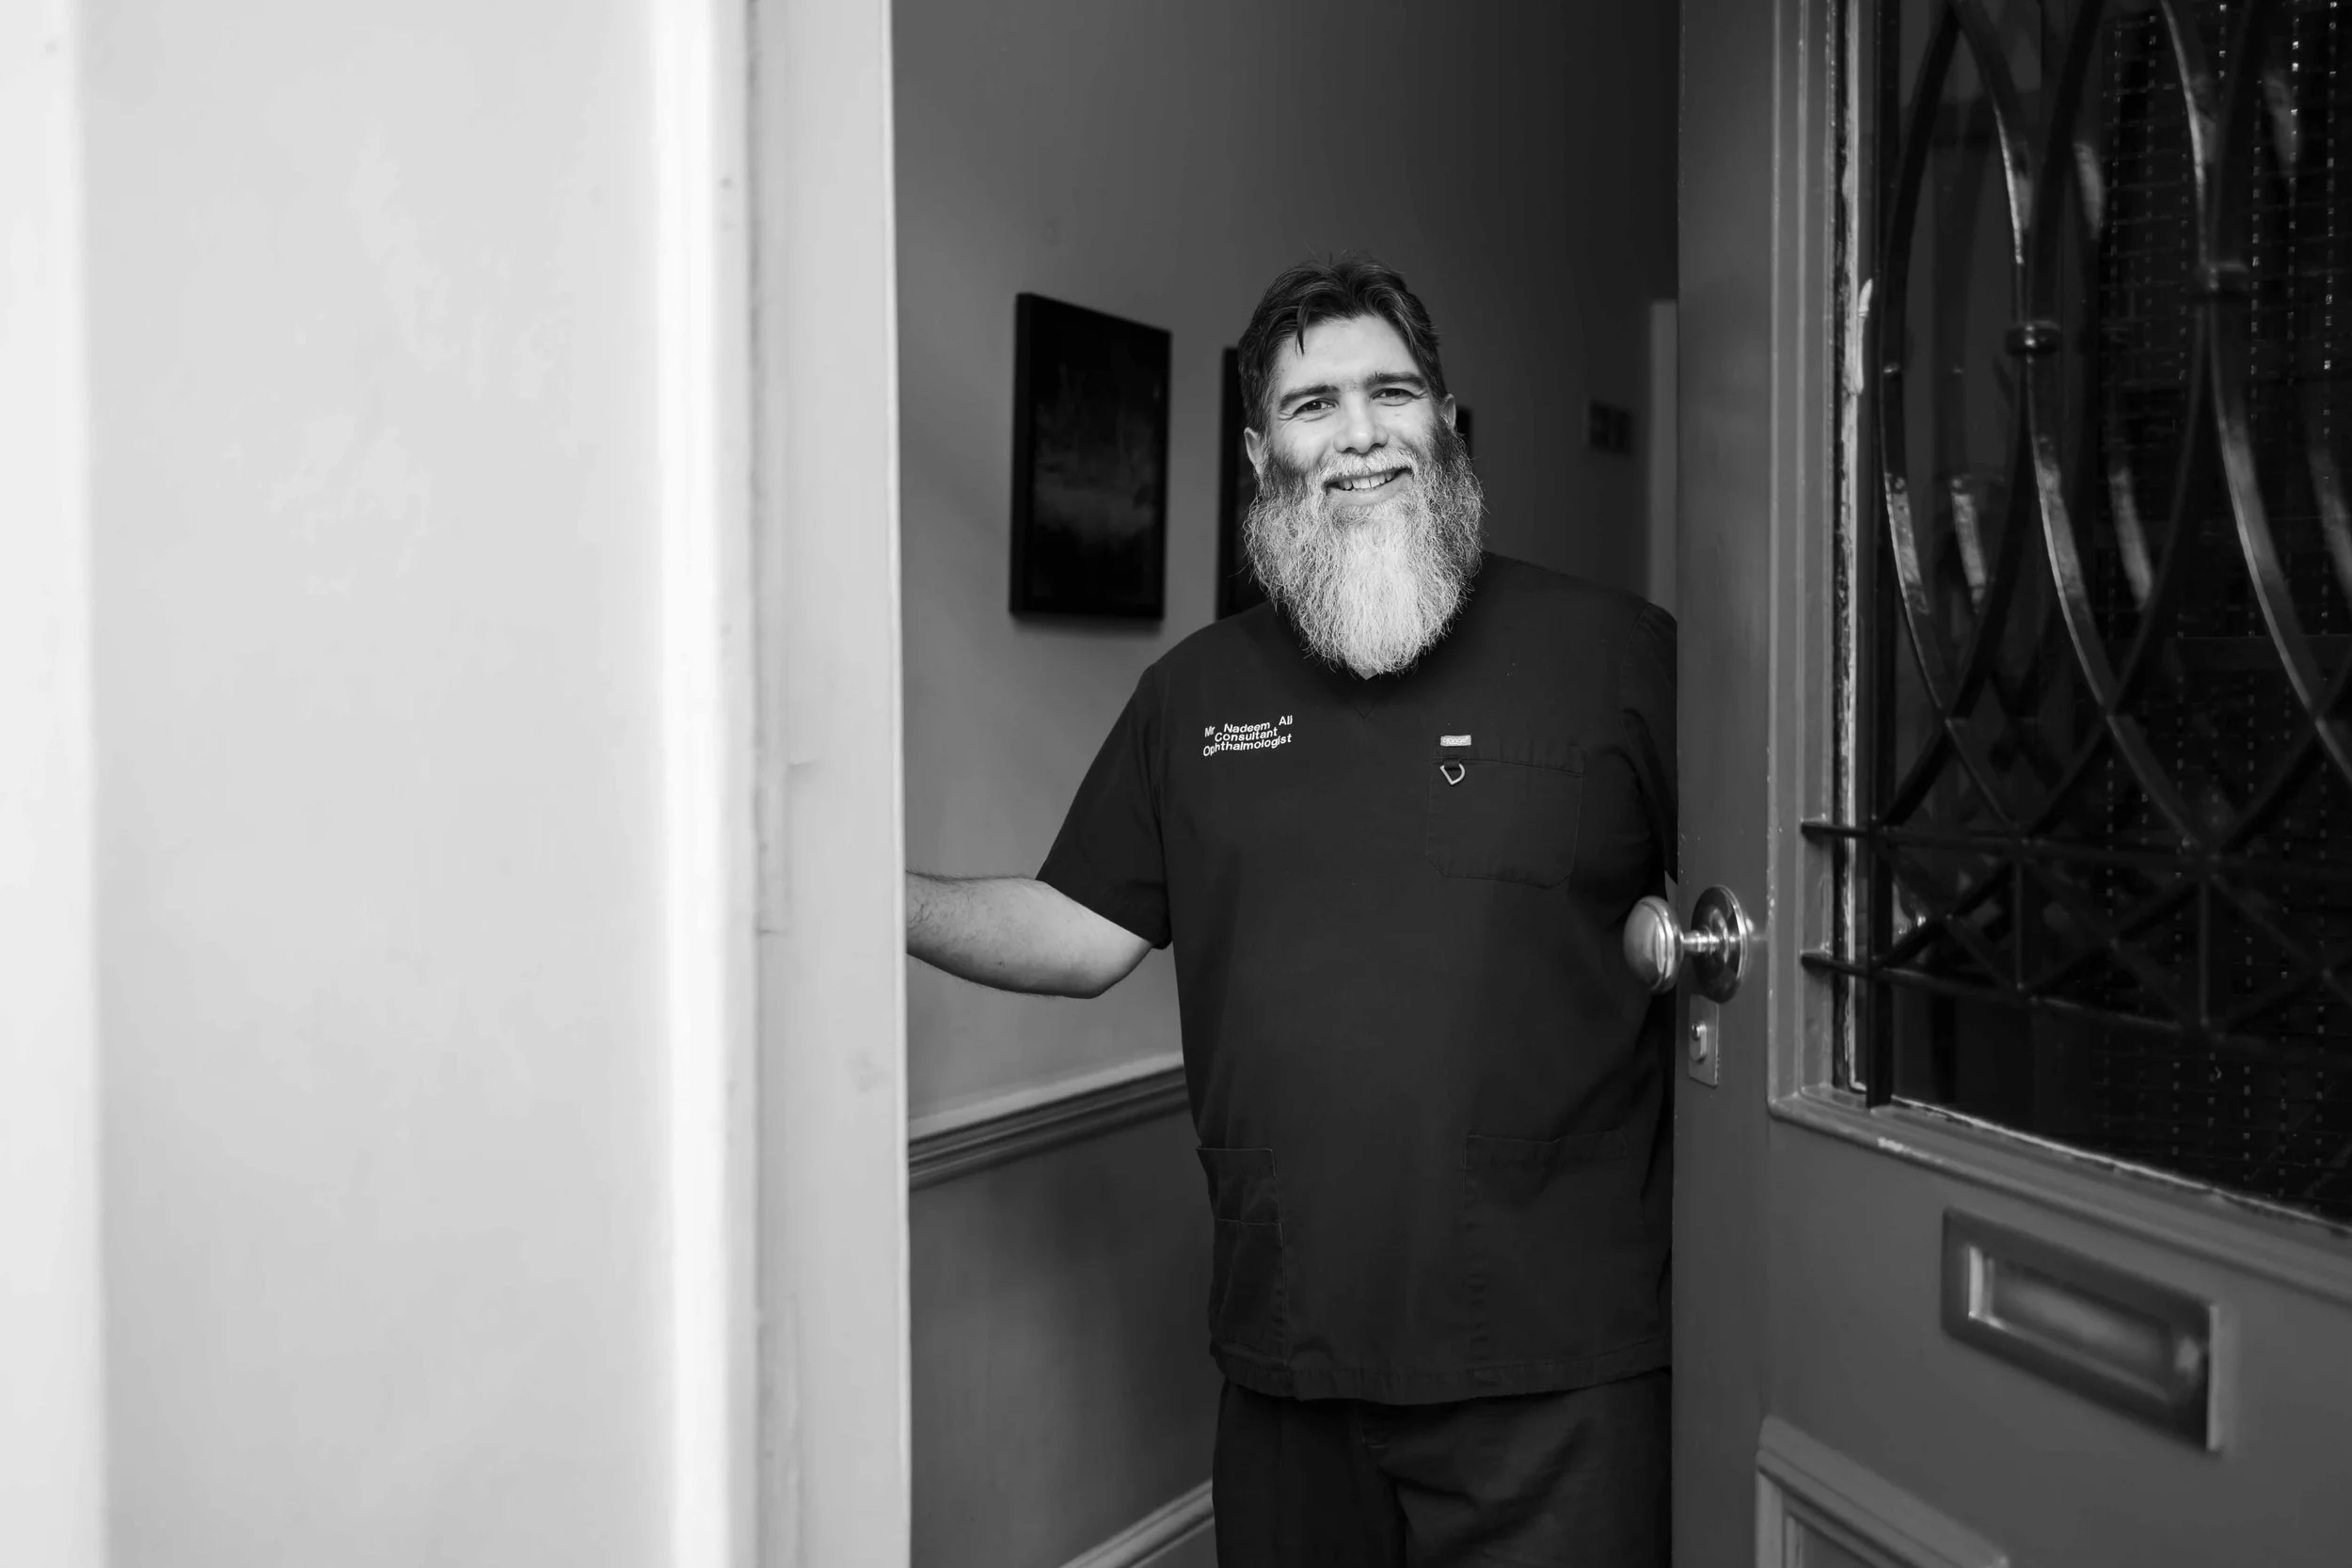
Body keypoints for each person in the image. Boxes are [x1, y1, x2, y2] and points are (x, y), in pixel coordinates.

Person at [907, 255, 1676, 1567]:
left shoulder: (1619, 654)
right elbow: (1079, 933)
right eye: (1315, 405)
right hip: (1290, 1357)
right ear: (1261, 446)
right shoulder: (1193, 695)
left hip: (1558, 1367)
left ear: (1449, 417)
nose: (1362, 433)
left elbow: (1752, 924)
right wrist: (864, 893)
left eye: (1393, 392)